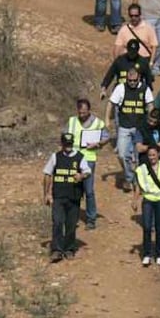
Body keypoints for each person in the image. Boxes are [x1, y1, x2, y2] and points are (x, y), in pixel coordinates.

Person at [43, 132, 91, 262]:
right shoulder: (55, 157)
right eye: (66, 144)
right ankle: (57, 250)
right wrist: (46, 194)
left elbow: (87, 171)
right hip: (58, 196)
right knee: (58, 222)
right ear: (62, 144)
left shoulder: (80, 157)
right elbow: (47, 174)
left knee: (71, 224)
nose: (68, 147)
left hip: (73, 197)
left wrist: (81, 176)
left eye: (70, 144)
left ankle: (69, 248)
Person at [105, 68, 154, 192]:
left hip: (140, 128)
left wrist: (152, 121)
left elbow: (150, 105)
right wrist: (107, 119)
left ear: (139, 79)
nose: (132, 83)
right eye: (130, 80)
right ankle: (129, 177)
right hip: (124, 127)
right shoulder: (121, 88)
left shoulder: (145, 89)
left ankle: (141, 182)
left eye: (134, 80)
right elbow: (111, 103)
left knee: (140, 157)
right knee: (122, 154)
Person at [65, 99, 110, 230]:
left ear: (89, 110)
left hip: (89, 158)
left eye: (84, 112)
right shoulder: (72, 121)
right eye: (80, 113)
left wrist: (98, 144)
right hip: (73, 158)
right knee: (73, 190)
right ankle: (72, 217)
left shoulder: (97, 123)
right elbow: (64, 136)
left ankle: (91, 219)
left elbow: (107, 136)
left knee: (88, 190)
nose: (82, 115)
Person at [132, 145, 160, 266]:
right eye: (149, 155)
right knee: (147, 227)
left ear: (158, 154)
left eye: (153, 155)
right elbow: (139, 185)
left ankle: (159, 254)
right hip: (147, 199)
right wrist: (135, 200)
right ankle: (146, 254)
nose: (151, 157)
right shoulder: (142, 168)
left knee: (159, 227)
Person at [113, 3, 158, 70]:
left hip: (144, 60)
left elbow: (154, 46)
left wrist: (151, 62)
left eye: (136, 16)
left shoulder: (148, 28)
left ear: (140, 15)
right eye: (131, 16)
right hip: (128, 61)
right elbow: (117, 48)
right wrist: (118, 64)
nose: (133, 18)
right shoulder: (124, 30)